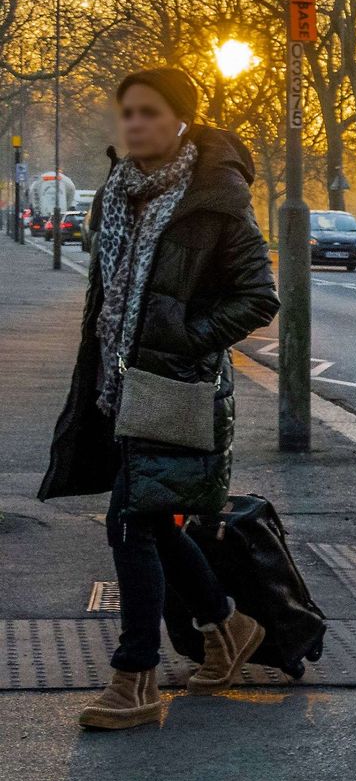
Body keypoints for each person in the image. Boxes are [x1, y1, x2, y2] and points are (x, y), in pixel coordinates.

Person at [38, 68, 281, 728]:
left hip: (176, 387)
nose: (135, 123)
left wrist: (183, 338)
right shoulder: (117, 193)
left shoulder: (214, 197)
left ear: (179, 120)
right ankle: (228, 627)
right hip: (118, 386)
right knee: (153, 521)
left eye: (149, 112)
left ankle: (135, 678)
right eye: (128, 112)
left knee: (131, 524)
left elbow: (259, 296)